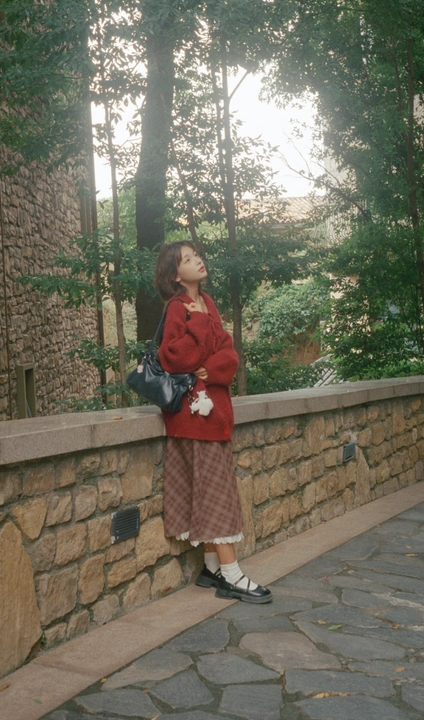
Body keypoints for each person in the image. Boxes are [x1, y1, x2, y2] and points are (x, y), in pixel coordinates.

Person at [155, 240, 272, 604]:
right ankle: (232, 576)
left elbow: (228, 353)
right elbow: (174, 356)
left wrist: (211, 366)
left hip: (213, 412)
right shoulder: (178, 307)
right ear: (176, 275)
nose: (198, 261)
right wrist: (201, 329)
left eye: (197, 255)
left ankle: (210, 567)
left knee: (210, 490)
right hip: (193, 417)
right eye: (188, 259)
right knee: (217, 495)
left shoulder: (207, 302)